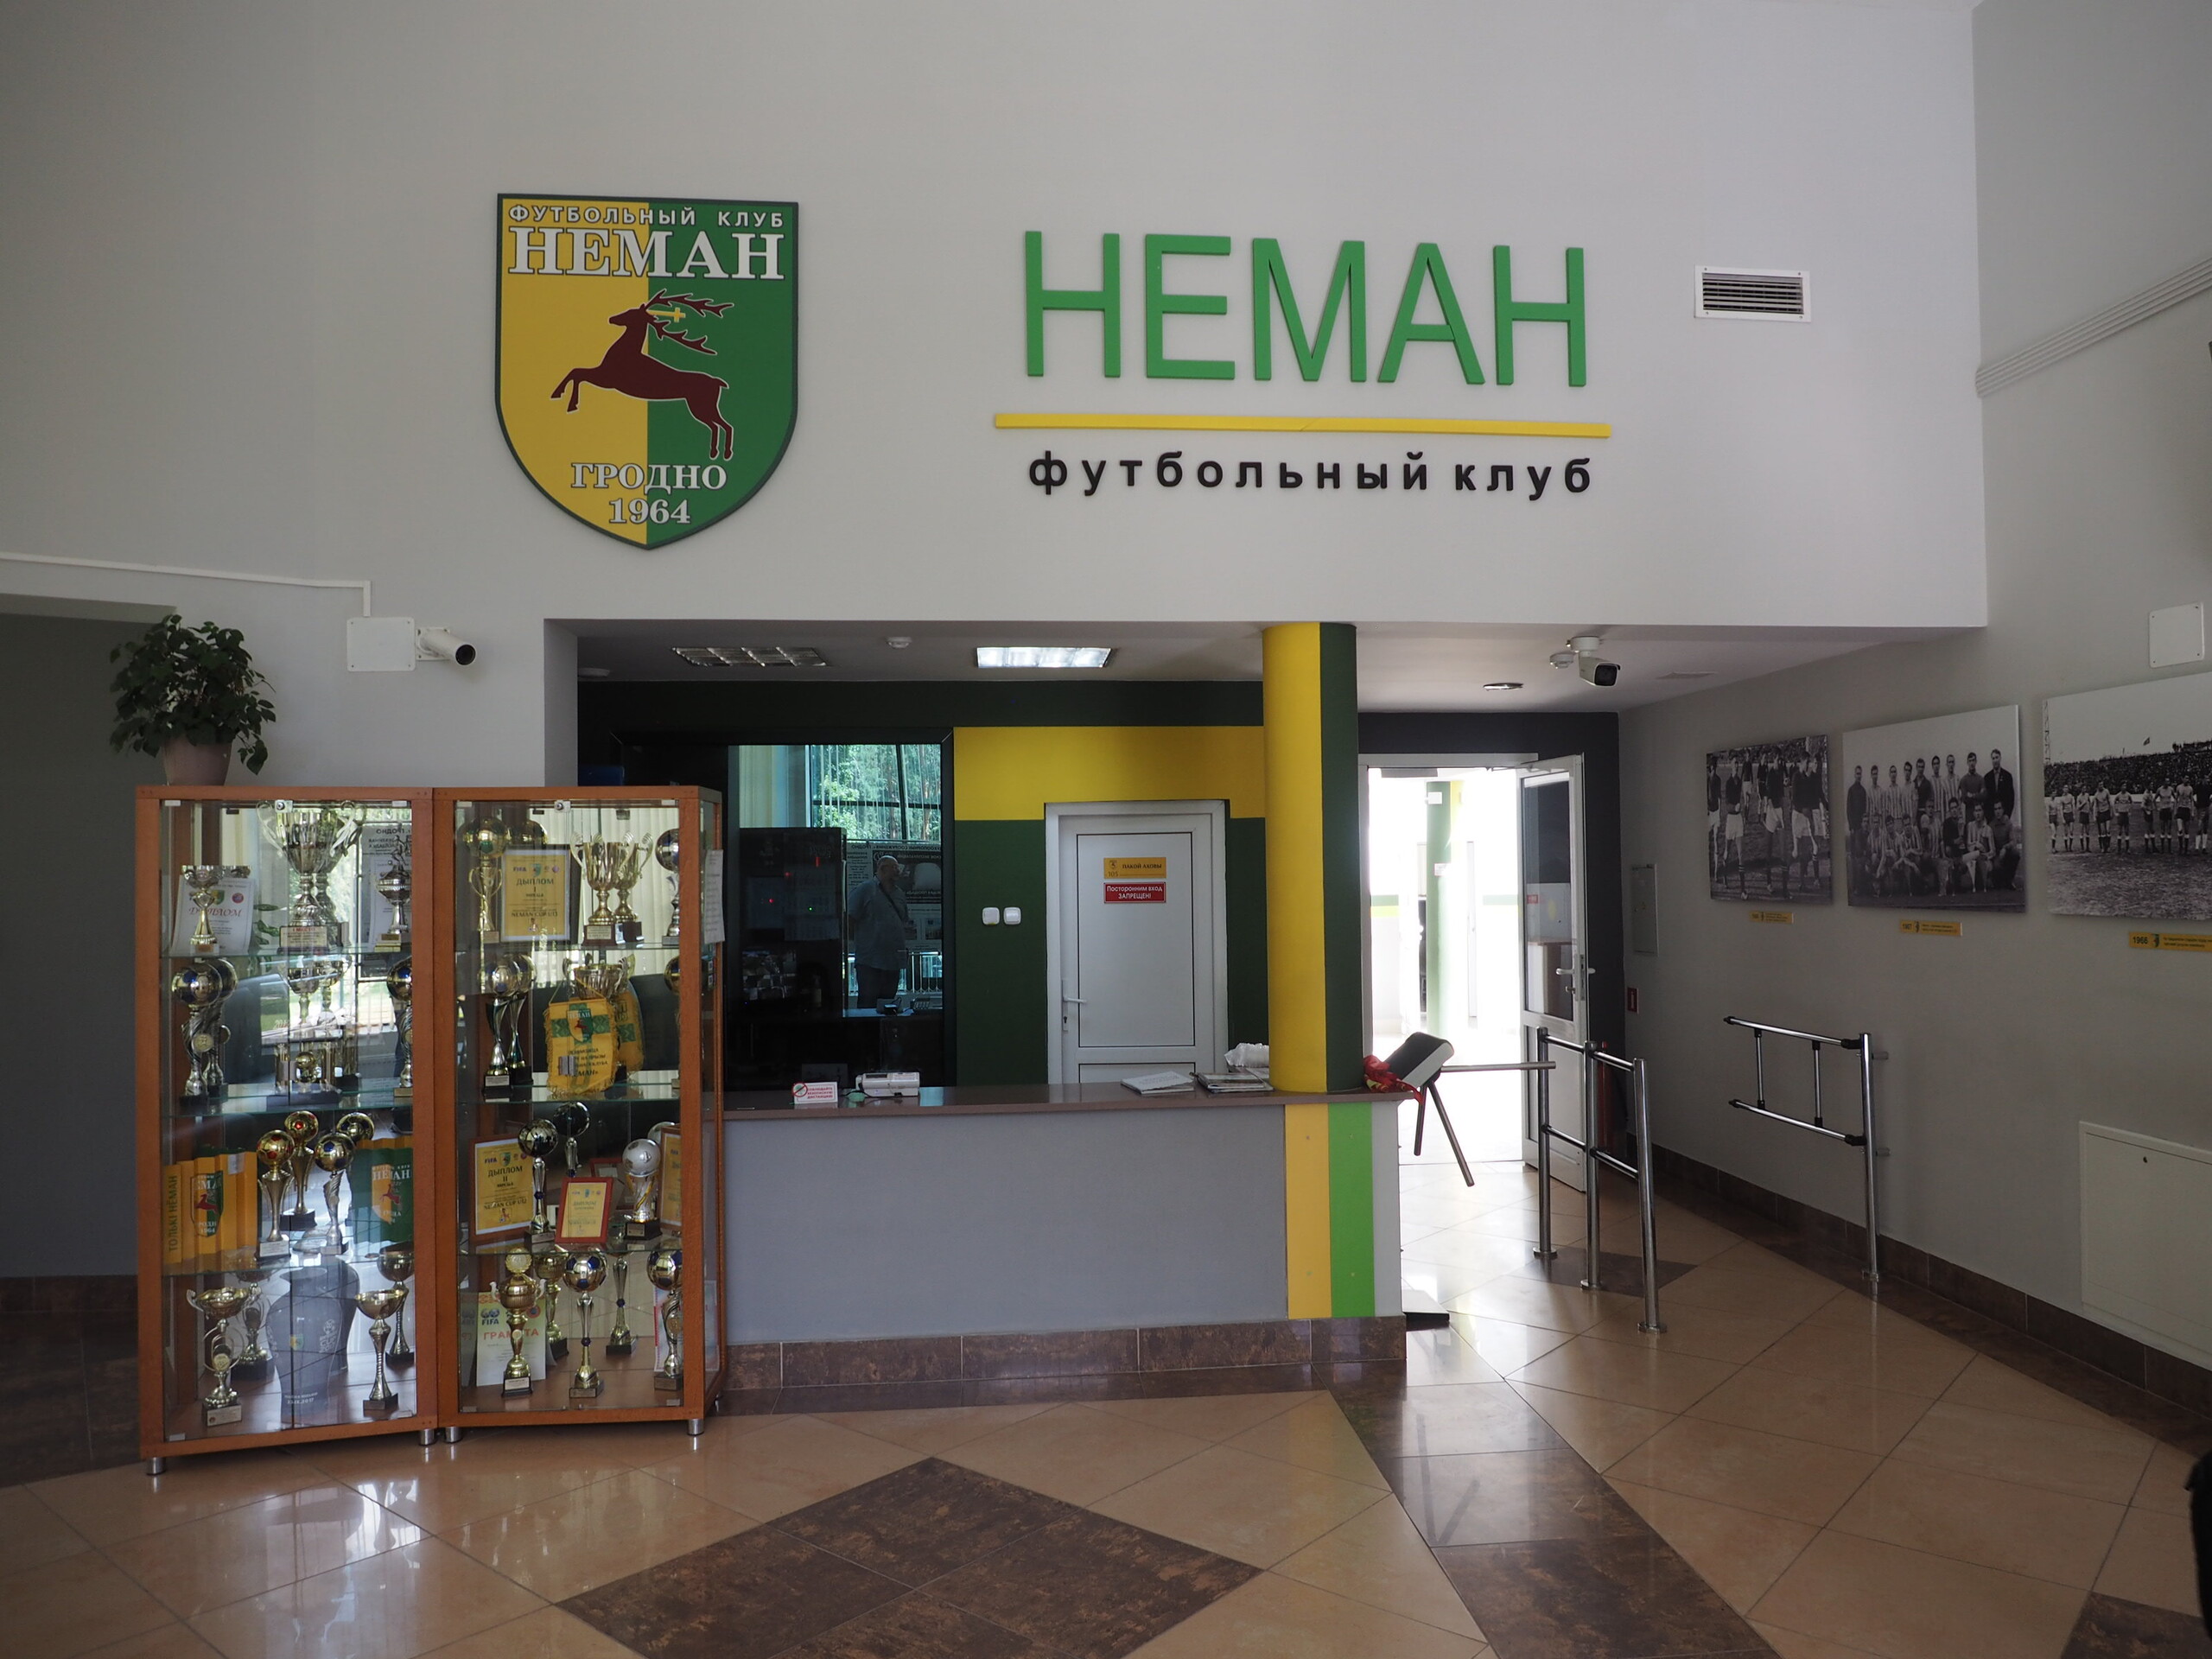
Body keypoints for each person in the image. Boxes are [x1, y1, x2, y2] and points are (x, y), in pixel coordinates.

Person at [848, 854, 912, 1007]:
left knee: (888, 1005)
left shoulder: (899, 893)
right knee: (868, 1005)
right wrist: (859, 943)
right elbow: (849, 918)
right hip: (870, 961)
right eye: (894, 867)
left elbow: (904, 920)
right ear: (883, 869)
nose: (898, 871)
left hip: (893, 961)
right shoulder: (865, 890)